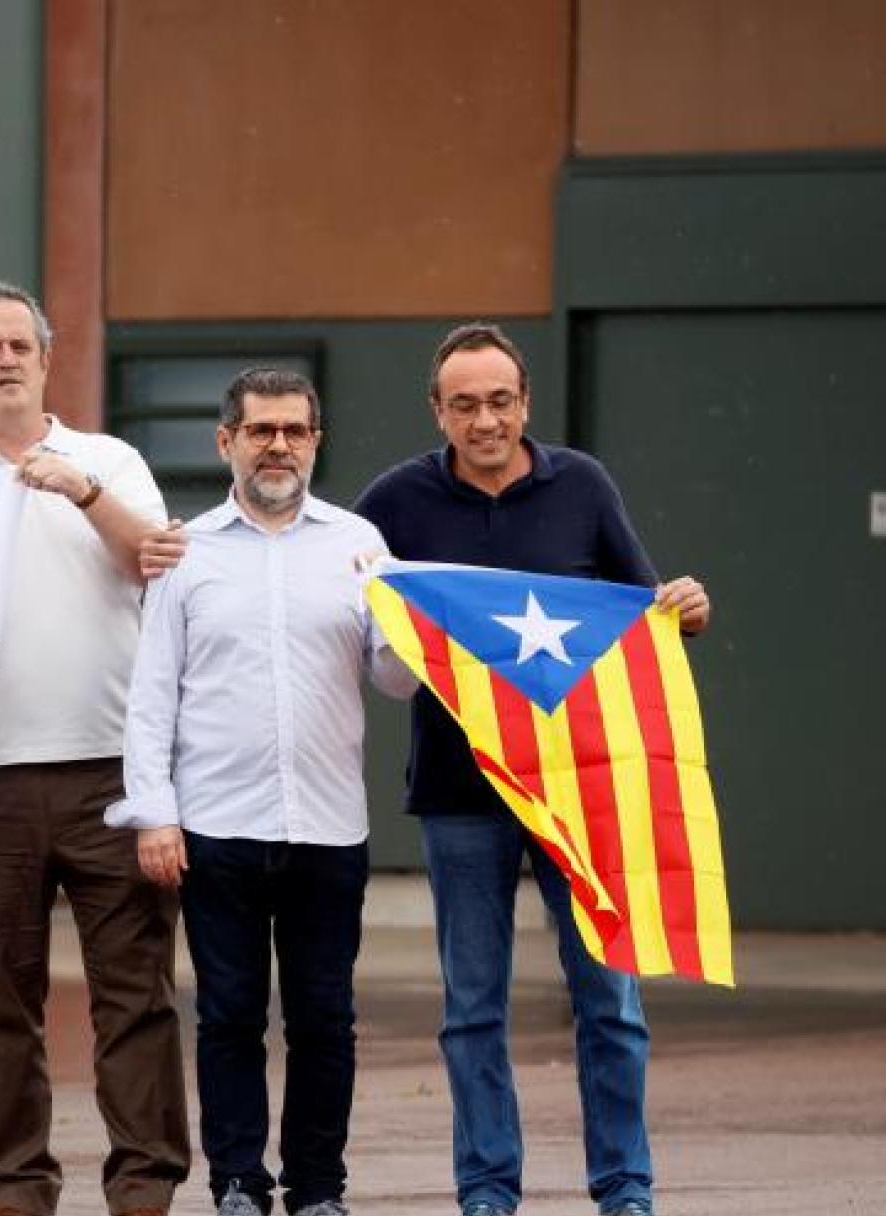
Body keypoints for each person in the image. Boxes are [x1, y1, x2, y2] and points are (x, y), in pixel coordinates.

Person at [353, 323, 711, 1216]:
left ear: (526, 402)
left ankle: (625, 1189)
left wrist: (684, 605)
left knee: (611, 1003)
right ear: (437, 412)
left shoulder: (582, 484)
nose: (485, 421)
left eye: (500, 401)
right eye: (465, 405)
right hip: (458, 793)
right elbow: (333, 593)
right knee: (473, 1010)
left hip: (583, 792)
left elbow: (645, 604)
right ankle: (486, 1190)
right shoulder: (393, 501)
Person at [113, 368, 415, 1216]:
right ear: (227, 442)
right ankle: (239, 1181)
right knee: (228, 1016)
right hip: (218, 826)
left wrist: (402, 620)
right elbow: (152, 693)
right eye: (260, 431)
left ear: (316, 441)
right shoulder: (187, 552)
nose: (277, 446)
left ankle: (318, 1187)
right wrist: (154, 813)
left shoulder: (361, 545)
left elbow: (395, 682)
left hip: (327, 826)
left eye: (294, 431)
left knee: (325, 1019)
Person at [0, 282, 190, 1216]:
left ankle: (145, 1185)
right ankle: (20, 1188)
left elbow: (156, 561)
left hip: (112, 775)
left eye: (21, 345)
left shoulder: (108, 459)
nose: (6, 359)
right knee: (2, 1004)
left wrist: (82, 491)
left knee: (136, 995)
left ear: (45, 359)